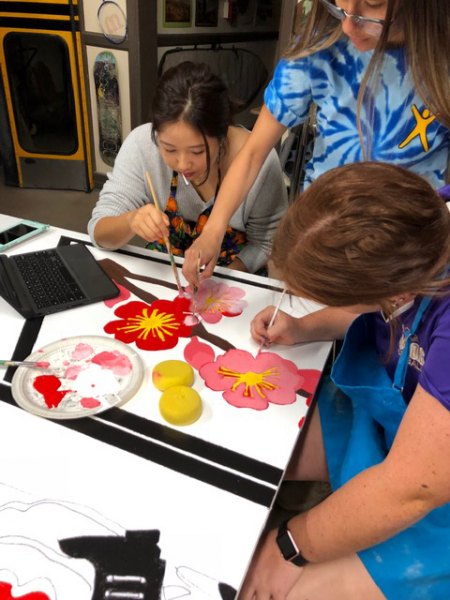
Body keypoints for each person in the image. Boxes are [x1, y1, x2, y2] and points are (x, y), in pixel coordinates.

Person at [242, 162, 450, 599]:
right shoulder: (424, 219)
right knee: (253, 451)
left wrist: (292, 544)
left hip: (432, 483)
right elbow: (378, 304)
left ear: (394, 289)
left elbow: (410, 490)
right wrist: (304, 327)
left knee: (292, 592)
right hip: (400, 416)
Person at [182, 0, 450, 283]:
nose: (348, 26)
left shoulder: (440, 57)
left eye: (372, 5)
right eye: (339, 7)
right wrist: (213, 230)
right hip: (324, 242)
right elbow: (252, 154)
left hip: (409, 255)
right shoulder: (320, 45)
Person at [88, 61, 287, 274]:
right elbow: (99, 232)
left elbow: (267, 243)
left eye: (197, 151)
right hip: (166, 273)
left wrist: (219, 280)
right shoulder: (141, 145)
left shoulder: (260, 162)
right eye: (169, 149)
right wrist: (130, 221)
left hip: (232, 276)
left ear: (222, 135)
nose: (182, 164)